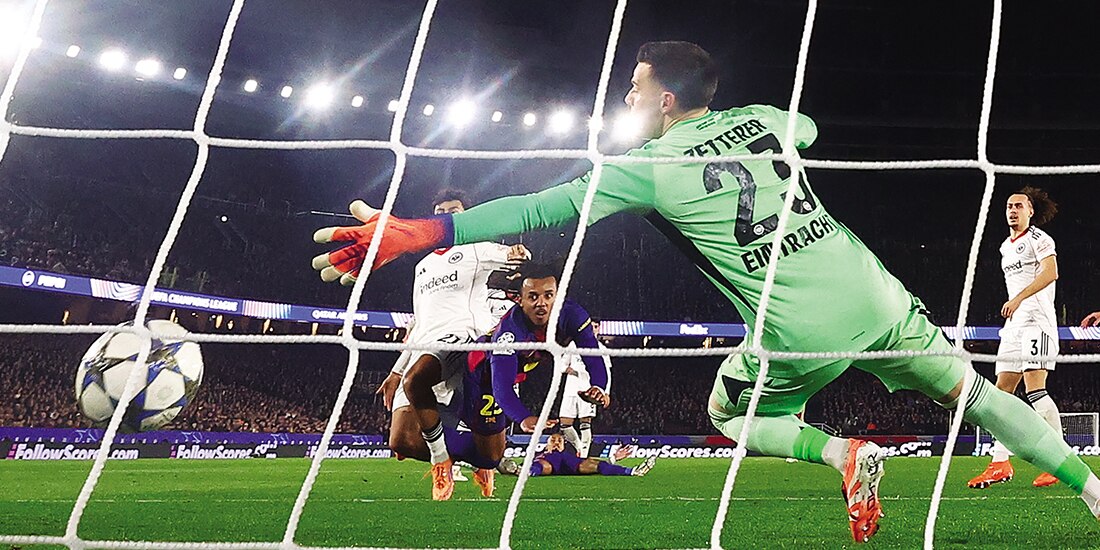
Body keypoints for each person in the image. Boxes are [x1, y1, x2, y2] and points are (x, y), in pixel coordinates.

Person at [312, 41, 1100, 541]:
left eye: (634, 86)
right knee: (974, 393)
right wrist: (770, 134)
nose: (626, 100)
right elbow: (809, 128)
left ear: (662, 99)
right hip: (873, 289)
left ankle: (843, 452)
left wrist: (426, 230)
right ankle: (1091, 488)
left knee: (729, 413)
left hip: (796, 322)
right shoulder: (763, 117)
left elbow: (542, 206)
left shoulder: (650, 165)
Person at [359, 189, 529, 501]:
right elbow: (419, 321)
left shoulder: (477, 249)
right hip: (425, 345)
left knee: (420, 382)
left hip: (464, 344)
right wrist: (396, 370)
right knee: (401, 441)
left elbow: (511, 256)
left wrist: (515, 252)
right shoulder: (420, 267)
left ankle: (456, 460)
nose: (445, 215)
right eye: (440, 211)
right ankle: (465, 460)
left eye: (453, 210)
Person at [969, 188, 1065, 489]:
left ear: (1030, 211)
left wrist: (1019, 299)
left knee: (1035, 391)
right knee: (1001, 395)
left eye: (1019, 206)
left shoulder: (1040, 240)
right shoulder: (1005, 247)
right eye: (1009, 206)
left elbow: (1051, 273)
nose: (1013, 210)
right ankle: (999, 462)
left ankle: (1060, 460)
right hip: (1014, 326)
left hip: (1037, 322)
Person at [465, 262, 612, 435]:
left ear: (558, 297)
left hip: (520, 370)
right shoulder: (509, 332)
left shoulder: (574, 317)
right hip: (483, 369)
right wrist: (523, 417)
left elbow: (593, 357)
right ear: (520, 300)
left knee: (491, 453)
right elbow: (502, 385)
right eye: (533, 297)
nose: (541, 303)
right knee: (486, 450)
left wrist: (599, 387)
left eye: (549, 295)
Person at [516, 432, 655, 478]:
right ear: (547, 444)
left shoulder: (566, 455)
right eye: (553, 440)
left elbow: (585, 463)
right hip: (544, 464)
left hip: (565, 464)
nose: (556, 442)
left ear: (564, 444)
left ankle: (633, 471)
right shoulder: (538, 454)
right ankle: (526, 472)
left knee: (596, 464)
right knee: (540, 465)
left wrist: (613, 458)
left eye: (559, 440)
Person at [558, 343, 612, 457]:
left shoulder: (602, 349)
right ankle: (579, 449)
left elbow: (607, 372)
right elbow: (562, 364)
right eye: (591, 325)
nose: (593, 329)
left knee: (585, 423)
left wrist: (605, 392)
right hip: (570, 389)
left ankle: (583, 455)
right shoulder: (573, 345)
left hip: (589, 391)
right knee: (564, 423)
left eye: (596, 326)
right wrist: (568, 370)